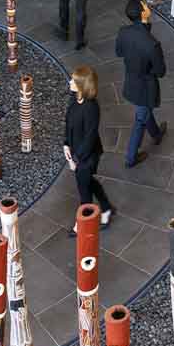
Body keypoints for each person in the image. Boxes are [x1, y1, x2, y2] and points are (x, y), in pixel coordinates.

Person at [115, 0, 167, 169]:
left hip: (131, 83)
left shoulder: (123, 32)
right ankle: (130, 158)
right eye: (145, 4)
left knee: (144, 112)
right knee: (140, 118)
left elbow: (119, 53)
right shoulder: (152, 44)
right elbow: (160, 72)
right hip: (146, 88)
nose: (147, 5)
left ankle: (156, 135)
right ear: (142, 13)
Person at [64, 65, 114, 236]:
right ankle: (107, 208)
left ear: (82, 86)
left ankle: (82, 225)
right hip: (76, 152)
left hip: (86, 156)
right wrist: (65, 144)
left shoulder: (92, 108)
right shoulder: (74, 98)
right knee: (88, 182)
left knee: (84, 191)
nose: (70, 81)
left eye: (74, 80)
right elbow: (68, 121)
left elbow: (90, 137)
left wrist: (75, 161)